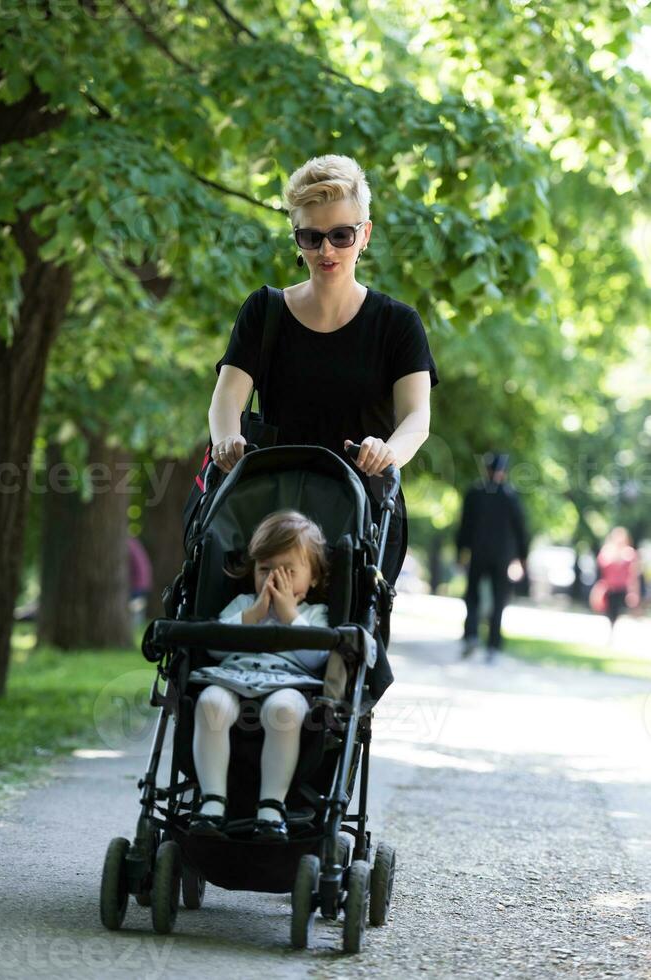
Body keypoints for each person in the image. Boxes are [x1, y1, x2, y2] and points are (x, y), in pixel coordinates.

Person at [208, 154, 440, 701]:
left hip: (358, 499)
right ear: (296, 237)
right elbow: (226, 400)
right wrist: (225, 437)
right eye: (311, 238)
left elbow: (417, 418)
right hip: (270, 493)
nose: (326, 251)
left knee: (349, 617)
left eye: (340, 235)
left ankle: (325, 727)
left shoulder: (397, 324)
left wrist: (389, 449)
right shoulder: (264, 312)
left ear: (365, 234)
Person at [188, 509, 347, 842]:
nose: (274, 579)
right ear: (253, 571)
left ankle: (271, 807)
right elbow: (215, 646)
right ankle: (212, 801)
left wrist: (289, 617)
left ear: (314, 576)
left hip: (290, 685)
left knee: (284, 711)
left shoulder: (314, 614)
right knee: (209, 702)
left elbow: (319, 658)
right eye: (265, 569)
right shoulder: (244, 603)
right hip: (232, 678)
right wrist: (252, 615)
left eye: (288, 571)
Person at [456, 452, 529, 662]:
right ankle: (493, 646)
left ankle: (471, 636)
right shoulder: (511, 497)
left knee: (472, 597)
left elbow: (464, 527)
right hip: (502, 557)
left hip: (478, 553)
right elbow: (521, 529)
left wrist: (461, 550)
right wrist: (522, 557)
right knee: (499, 601)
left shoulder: (474, 493)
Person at [596, 526, 640, 638]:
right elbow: (602, 568)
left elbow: (633, 575)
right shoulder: (607, 552)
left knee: (617, 611)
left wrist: (633, 592)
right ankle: (609, 630)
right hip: (609, 588)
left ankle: (613, 632)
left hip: (622, 588)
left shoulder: (629, 554)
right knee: (608, 611)